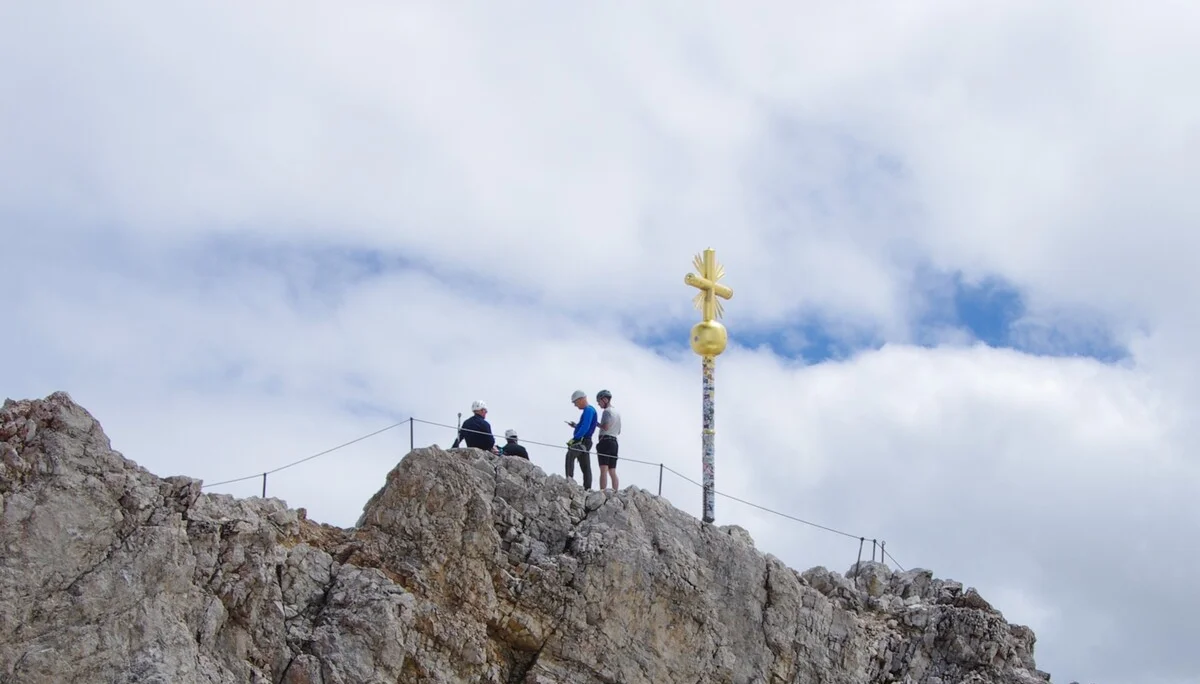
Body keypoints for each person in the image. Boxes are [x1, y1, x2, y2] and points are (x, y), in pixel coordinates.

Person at [565, 389, 597, 489]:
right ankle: (587, 488)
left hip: (583, 441)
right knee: (585, 465)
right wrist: (576, 426)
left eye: (575, 402)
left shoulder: (588, 410)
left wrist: (575, 438)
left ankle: (569, 480)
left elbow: (585, 427)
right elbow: (584, 426)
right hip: (585, 441)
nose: (575, 405)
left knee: (571, 454)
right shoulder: (589, 410)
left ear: (581, 399)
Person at [595, 389, 621, 490]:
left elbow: (605, 427)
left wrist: (596, 423)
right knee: (612, 471)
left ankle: (602, 492)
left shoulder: (606, 412)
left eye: (599, 401)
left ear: (605, 399)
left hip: (605, 441)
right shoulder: (617, 413)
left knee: (603, 470)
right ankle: (615, 492)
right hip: (614, 442)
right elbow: (619, 431)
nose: (598, 403)